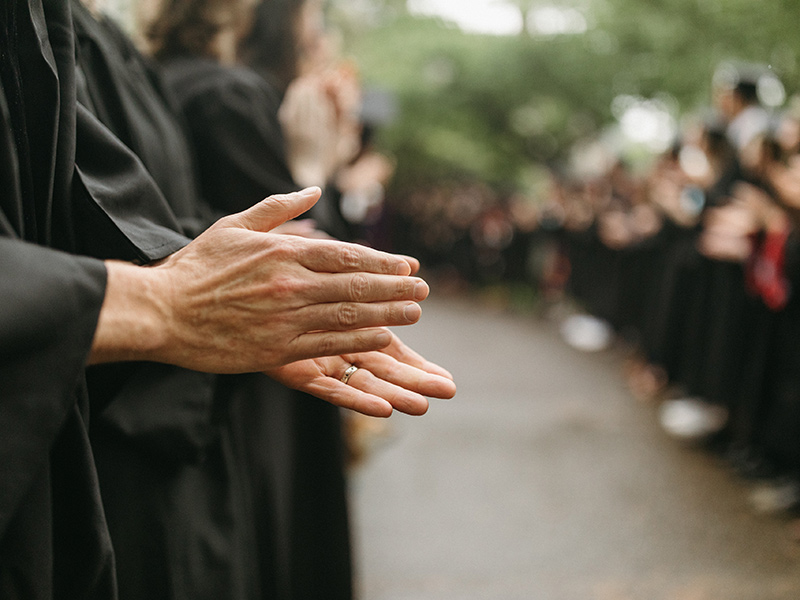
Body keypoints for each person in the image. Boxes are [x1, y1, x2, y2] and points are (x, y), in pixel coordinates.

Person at [0, 1, 456, 598]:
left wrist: (211, 272)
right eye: (313, 25)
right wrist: (166, 298)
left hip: (179, 408)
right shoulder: (220, 93)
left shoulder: (85, 31)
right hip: (136, 440)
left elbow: (97, 215)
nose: (322, 43)